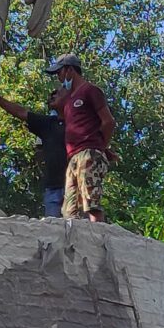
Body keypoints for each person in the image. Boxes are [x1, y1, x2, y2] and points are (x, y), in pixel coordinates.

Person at [52, 54, 116, 223]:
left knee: (91, 203)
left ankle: (100, 239)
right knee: (69, 210)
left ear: (70, 70)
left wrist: (100, 147)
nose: (59, 78)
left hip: (88, 153)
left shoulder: (89, 90)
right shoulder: (68, 101)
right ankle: (76, 244)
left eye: (59, 73)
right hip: (73, 156)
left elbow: (108, 121)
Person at [0, 91, 67, 219]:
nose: (51, 96)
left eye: (56, 94)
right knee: (53, 231)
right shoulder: (47, 124)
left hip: (74, 187)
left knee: (78, 230)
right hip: (52, 187)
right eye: (50, 96)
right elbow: (21, 113)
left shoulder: (79, 123)